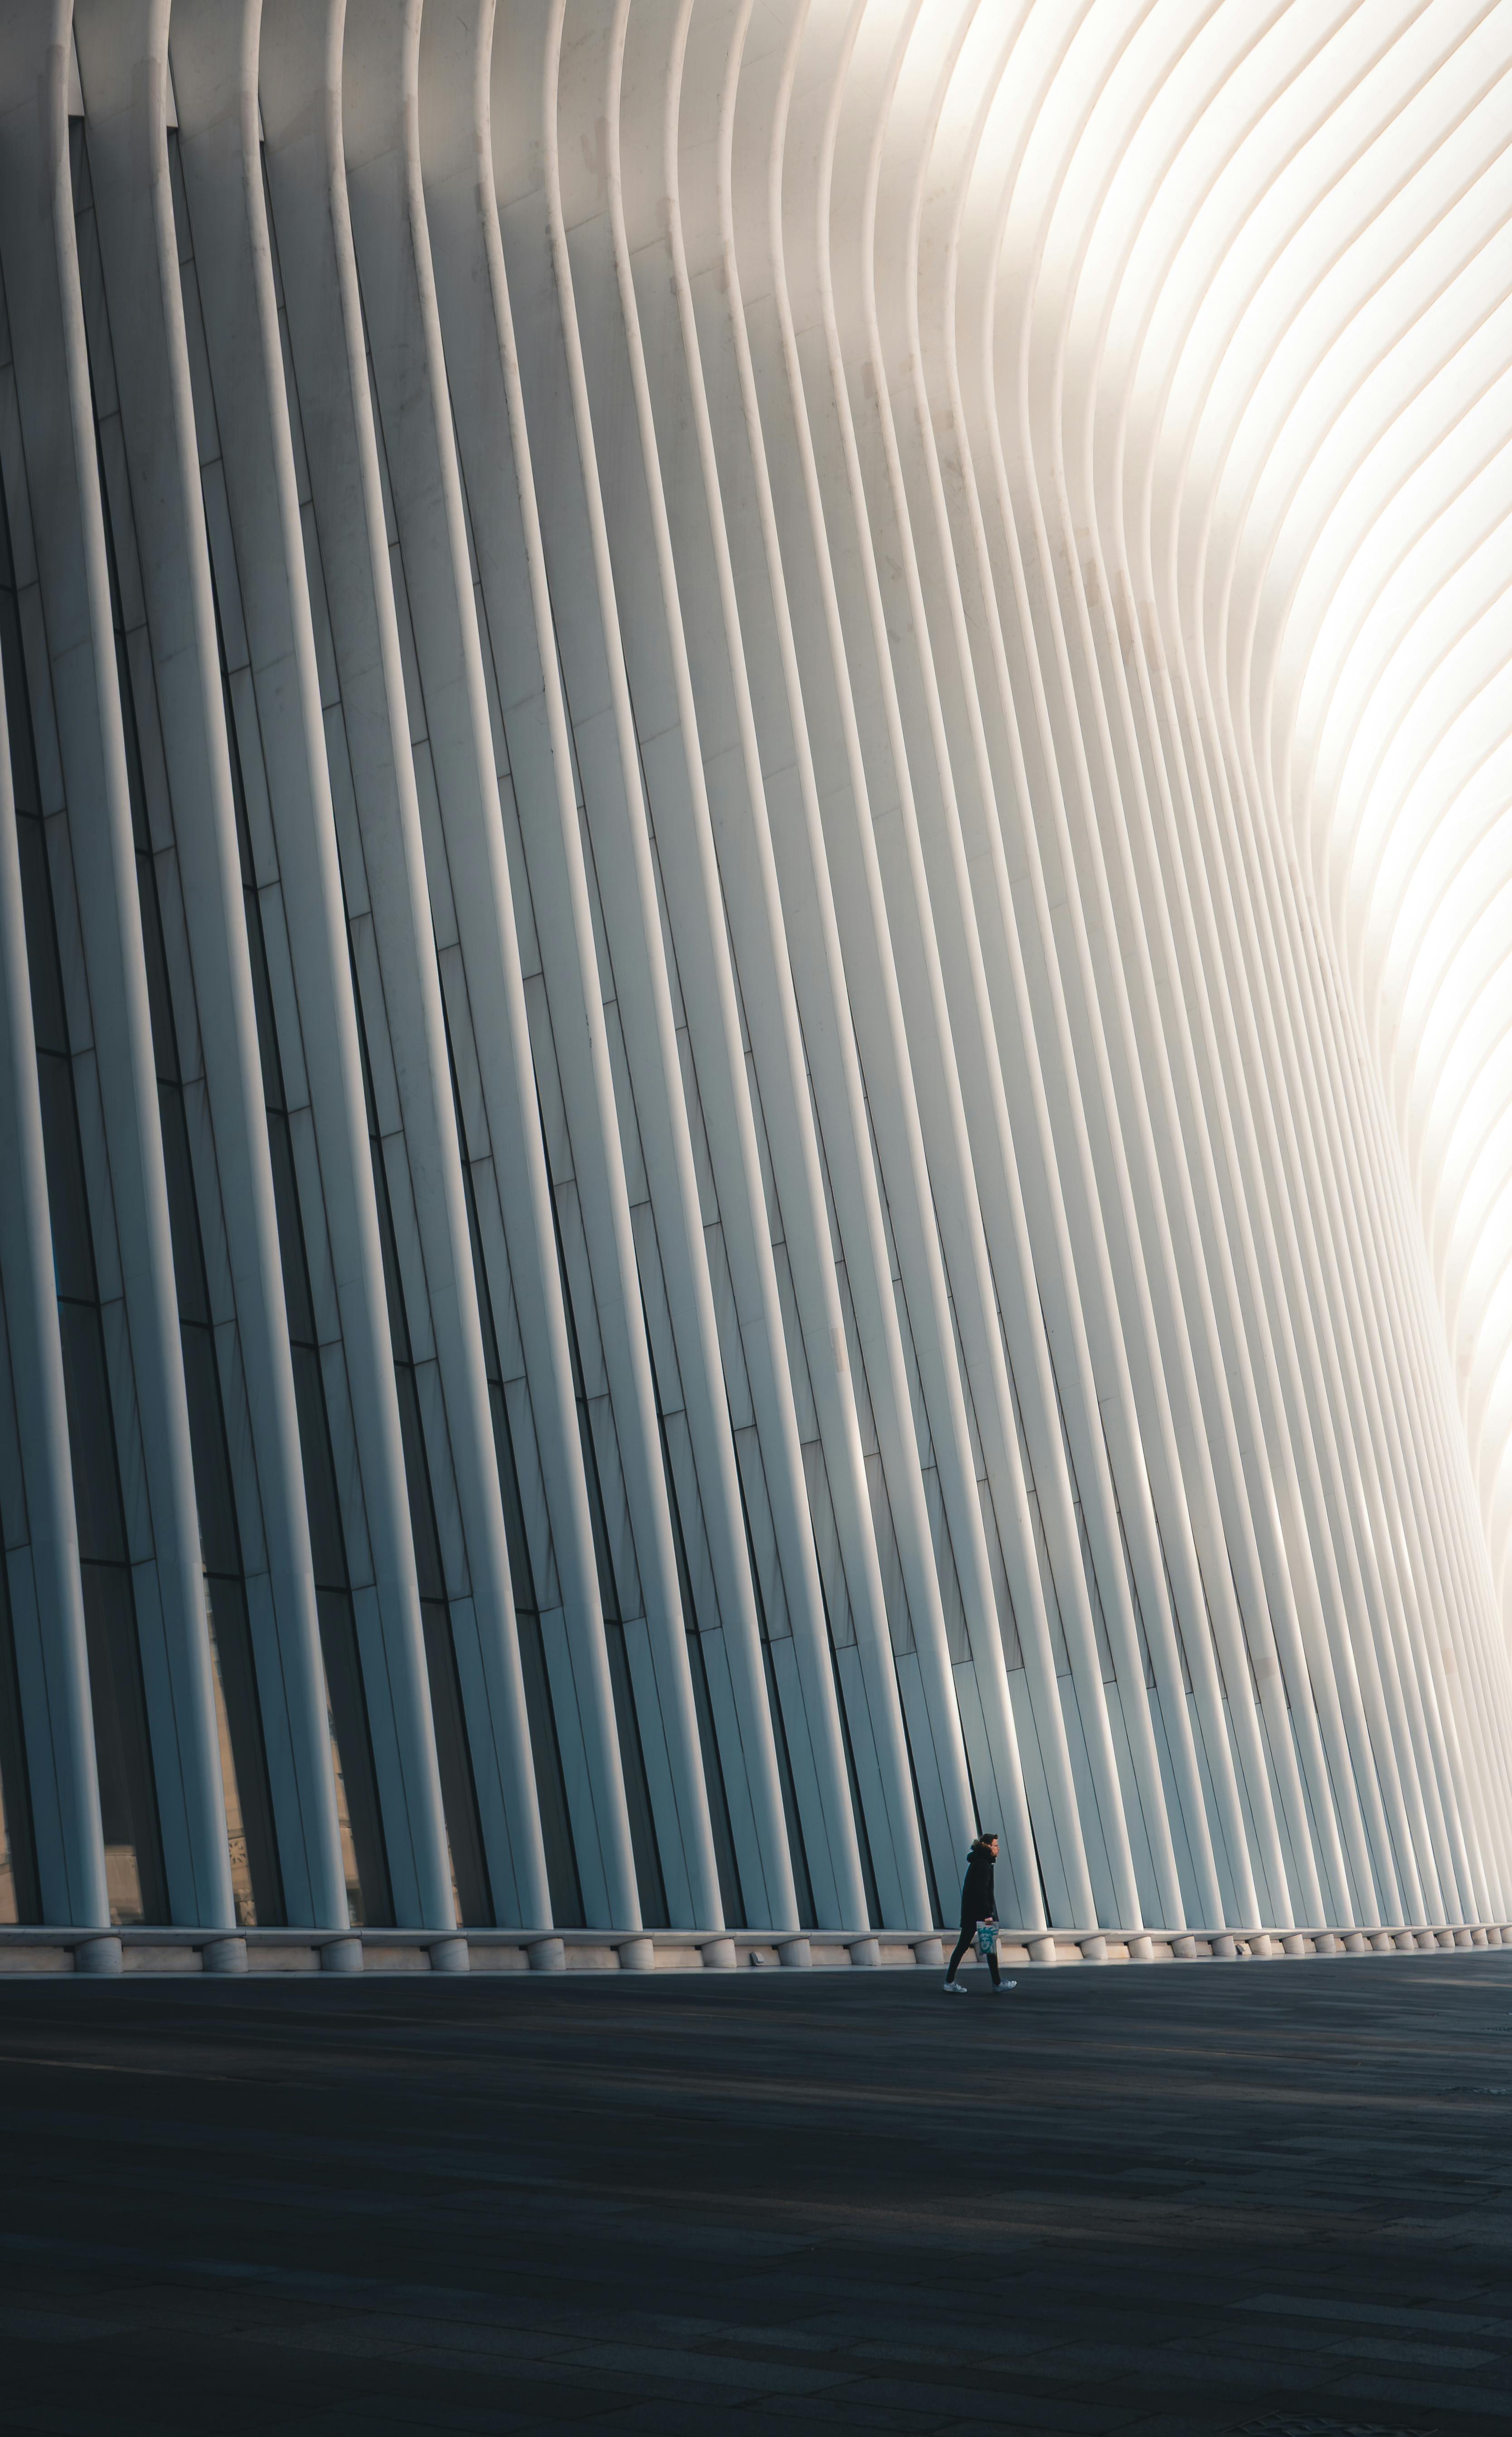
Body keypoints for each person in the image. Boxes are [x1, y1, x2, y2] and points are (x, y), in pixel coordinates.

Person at [944, 1831, 1016, 1994]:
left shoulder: (979, 1862)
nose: (998, 1849)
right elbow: (982, 1891)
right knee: (987, 1946)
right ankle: (996, 1984)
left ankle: (950, 1982)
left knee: (969, 1947)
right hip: (981, 1914)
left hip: (973, 1913)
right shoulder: (983, 1865)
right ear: (988, 1846)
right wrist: (988, 1914)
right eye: (996, 1846)